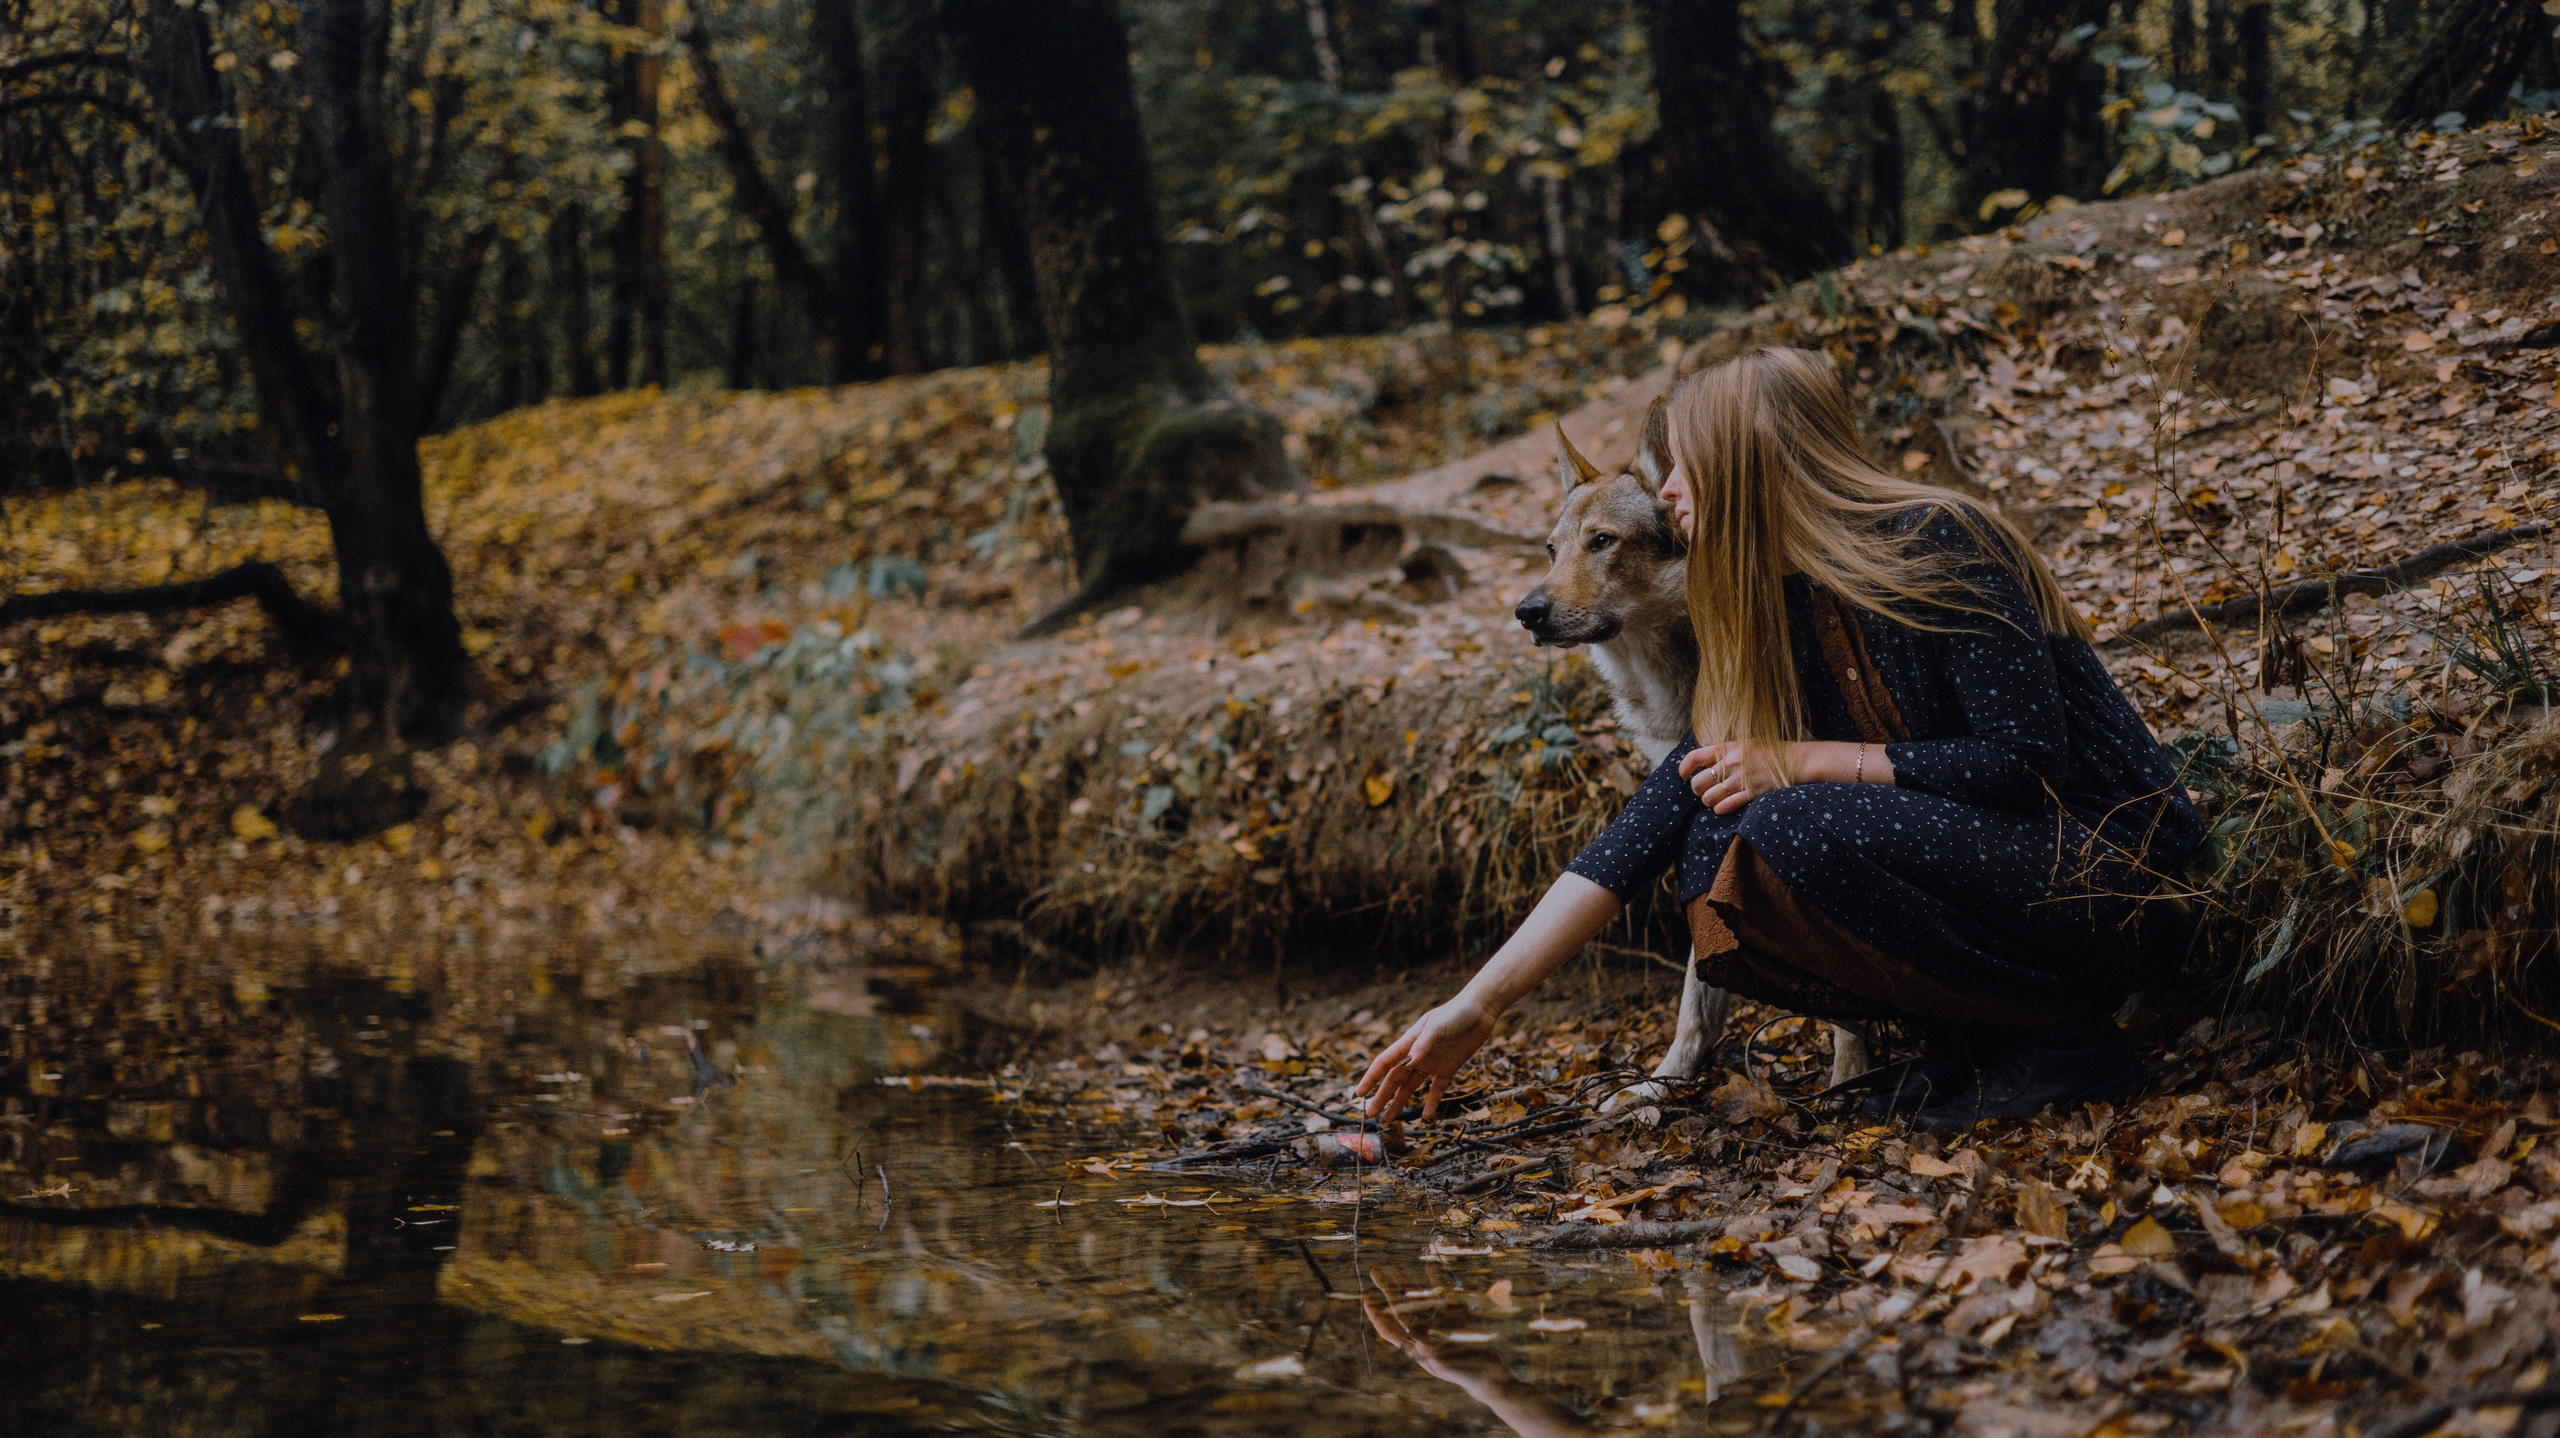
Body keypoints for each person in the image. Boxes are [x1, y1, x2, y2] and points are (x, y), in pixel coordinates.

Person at [1354, 347, 2200, 1132]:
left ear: (1752, 461)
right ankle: (1976, 1046)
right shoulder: (1776, 607)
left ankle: (2065, 1047)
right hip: (2006, 883)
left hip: (2115, 878)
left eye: (1683, 466)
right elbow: (1650, 821)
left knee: (1786, 822)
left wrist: (1799, 760)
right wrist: (1483, 1003)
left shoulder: (1942, 537)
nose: (1670, 493)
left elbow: (2021, 767)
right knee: (1713, 831)